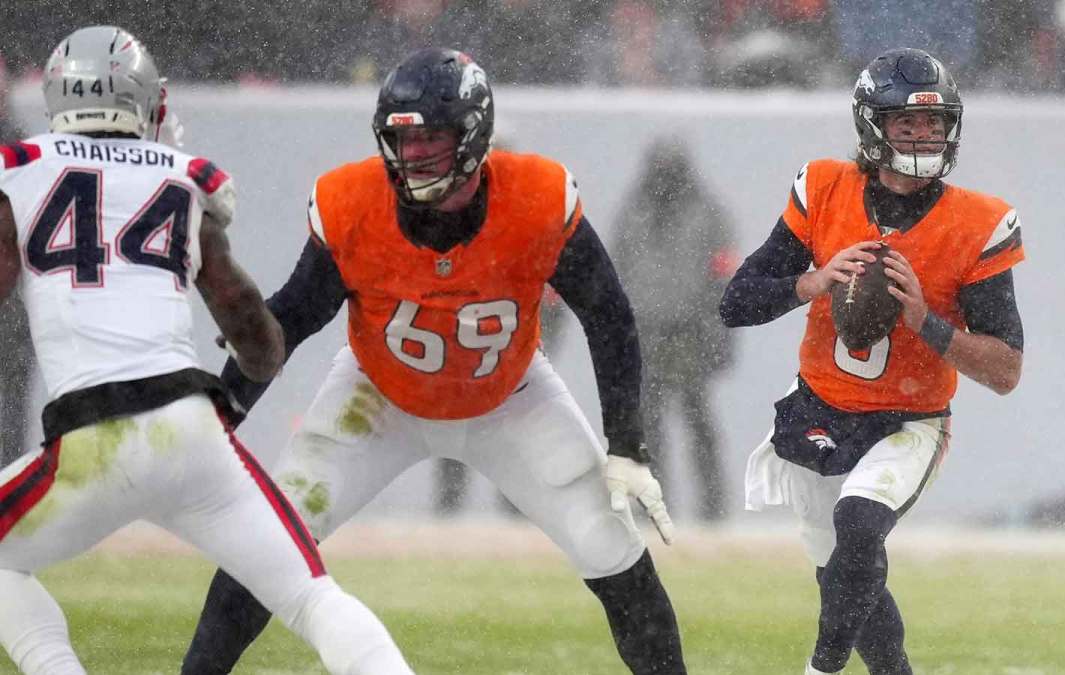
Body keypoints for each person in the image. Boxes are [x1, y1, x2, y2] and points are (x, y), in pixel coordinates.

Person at [180, 48, 686, 675]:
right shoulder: (353, 201)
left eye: (431, 139)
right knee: (266, 549)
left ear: (474, 136)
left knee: (614, 553)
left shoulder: (536, 198)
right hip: (377, 396)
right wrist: (221, 414)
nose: (412, 155)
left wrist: (627, 443)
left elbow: (608, 315)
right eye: (401, 139)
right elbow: (290, 319)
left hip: (511, 397)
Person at [0, 26, 412, 675]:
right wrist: (258, 354)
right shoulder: (182, 178)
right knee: (312, 594)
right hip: (193, 431)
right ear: (143, 100)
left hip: (91, 437)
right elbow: (251, 327)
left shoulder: (20, 171)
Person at [722, 48, 1025, 675]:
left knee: (858, 526)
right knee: (845, 572)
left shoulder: (978, 223)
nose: (924, 135)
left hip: (908, 421)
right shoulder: (826, 189)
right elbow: (735, 304)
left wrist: (925, 322)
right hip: (820, 408)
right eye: (907, 124)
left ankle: (821, 669)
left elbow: (1004, 371)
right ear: (872, 126)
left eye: (935, 123)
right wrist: (814, 281)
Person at [612, 137, 738, 522]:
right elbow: (615, 273)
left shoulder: (708, 214)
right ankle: (654, 504)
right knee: (648, 426)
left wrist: (718, 332)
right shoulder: (633, 213)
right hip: (646, 332)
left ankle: (712, 507)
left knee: (697, 418)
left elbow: (724, 277)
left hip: (690, 332)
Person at [0, 53, 33, 469]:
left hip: (9, 310)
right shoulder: (18, 149)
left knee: (8, 412)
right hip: (11, 307)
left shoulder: (18, 149)